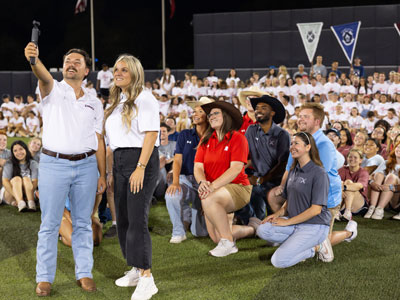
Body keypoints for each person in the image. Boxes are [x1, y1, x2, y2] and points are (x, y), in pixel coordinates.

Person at [25, 42, 106, 296]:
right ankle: (44, 278)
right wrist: (34, 61)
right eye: (67, 61)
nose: (71, 64)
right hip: (53, 164)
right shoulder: (53, 89)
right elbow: (43, 77)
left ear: (86, 72)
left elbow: (99, 140)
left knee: (83, 223)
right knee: (49, 224)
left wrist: (103, 174)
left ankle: (84, 273)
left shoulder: (95, 102)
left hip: (86, 166)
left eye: (77, 62)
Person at [104, 54, 159, 300]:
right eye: (116, 69)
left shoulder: (145, 98)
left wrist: (140, 166)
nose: (118, 73)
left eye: (124, 69)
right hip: (120, 162)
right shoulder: (118, 102)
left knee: (137, 220)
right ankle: (136, 268)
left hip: (141, 160)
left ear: (135, 73)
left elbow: (151, 134)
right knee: (123, 220)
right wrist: (111, 171)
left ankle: (147, 277)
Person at [256, 132, 333, 268]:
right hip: (295, 223)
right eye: (291, 143)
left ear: (308, 147)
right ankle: (297, 244)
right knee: (263, 229)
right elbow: (288, 200)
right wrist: (277, 214)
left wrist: (287, 222)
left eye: (296, 143)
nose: (292, 146)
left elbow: (316, 210)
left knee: (278, 261)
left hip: (314, 225)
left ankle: (316, 247)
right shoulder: (293, 171)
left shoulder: (319, 173)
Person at [194, 101, 252, 257]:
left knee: (208, 197)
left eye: (215, 113)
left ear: (226, 116)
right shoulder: (205, 140)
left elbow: (236, 169)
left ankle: (228, 242)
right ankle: (253, 229)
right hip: (214, 189)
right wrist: (202, 182)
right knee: (215, 237)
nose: (211, 116)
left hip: (238, 187)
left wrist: (211, 187)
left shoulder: (238, 138)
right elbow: (198, 168)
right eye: (210, 114)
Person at [165, 97, 212, 243]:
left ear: (209, 116)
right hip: (185, 179)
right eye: (194, 111)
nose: (195, 114)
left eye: (200, 111)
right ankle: (178, 231)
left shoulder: (215, 136)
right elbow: (178, 160)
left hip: (206, 183)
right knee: (171, 195)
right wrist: (175, 182)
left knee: (200, 233)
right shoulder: (184, 134)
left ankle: (191, 218)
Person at [244, 94, 290, 219]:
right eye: (257, 107)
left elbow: (283, 164)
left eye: (264, 108)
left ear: (272, 113)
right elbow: (245, 154)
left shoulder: (282, 134)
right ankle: (252, 221)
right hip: (257, 180)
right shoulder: (250, 130)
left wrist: (262, 179)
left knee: (274, 218)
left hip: (277, 183)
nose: (258, 110)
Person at [366, 142, 400, 220]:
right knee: (378, 174)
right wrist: (373, 183)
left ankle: (379, 209)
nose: (399, 149)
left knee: (391, 177)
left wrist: (391, 187)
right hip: (381, 193)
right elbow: (371, 177)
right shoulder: (386, 163)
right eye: (398, 147)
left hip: (396, 199)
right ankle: (372, 207)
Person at [1, 140, 38, 211]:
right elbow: (5, 182)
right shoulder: (9, 163)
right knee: (17, 179)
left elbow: (35, 182)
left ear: (26, 150)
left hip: (27, 193)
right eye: (15, 151)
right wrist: (17, 197)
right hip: (10, 194)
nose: (18, 152)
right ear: (12, 153)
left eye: (21, 149)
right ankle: (21, 204)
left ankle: (31, 203)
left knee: (26, 179)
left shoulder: (33, 163)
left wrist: (26, 197)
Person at [338, 149, 369, 221]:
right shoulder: (343, 169)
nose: (352, 159)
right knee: (341, 183)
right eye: (350, 157)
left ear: (360, 160)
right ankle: (339, 212)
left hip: (358, 204)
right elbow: (335, 183)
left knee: (349, 183)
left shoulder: (363, 172)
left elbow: (359, 186)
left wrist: (343, 188)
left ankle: (347, 212)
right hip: (343, 199)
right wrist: (341, 188)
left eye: (355, 157)